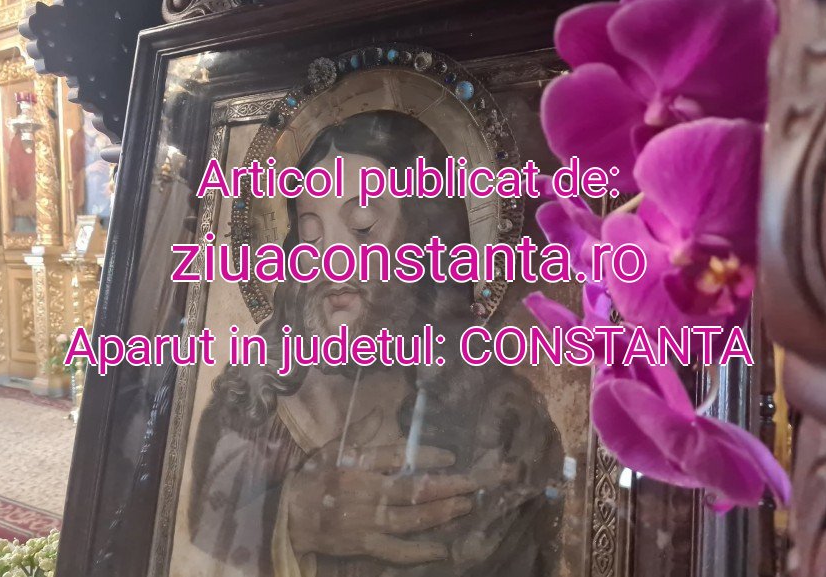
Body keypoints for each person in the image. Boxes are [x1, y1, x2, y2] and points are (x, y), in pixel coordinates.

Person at [189, 111, 563, 576]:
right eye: (310, 234)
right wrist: (290, 518)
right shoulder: (248, 400)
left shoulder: (503, 418)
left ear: (424, 239)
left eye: (363, 228)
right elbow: (193, 543)